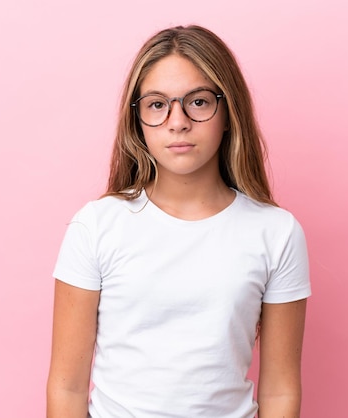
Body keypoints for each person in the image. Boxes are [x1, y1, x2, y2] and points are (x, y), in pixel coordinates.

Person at [46, 24, 311, 418]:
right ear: (137, 120)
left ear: (228, 111)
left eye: (198, 102)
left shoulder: (276, 232)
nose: (177, 122)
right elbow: (66, 388)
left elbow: (279, 392)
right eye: (157, 104)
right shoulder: (97, 226)